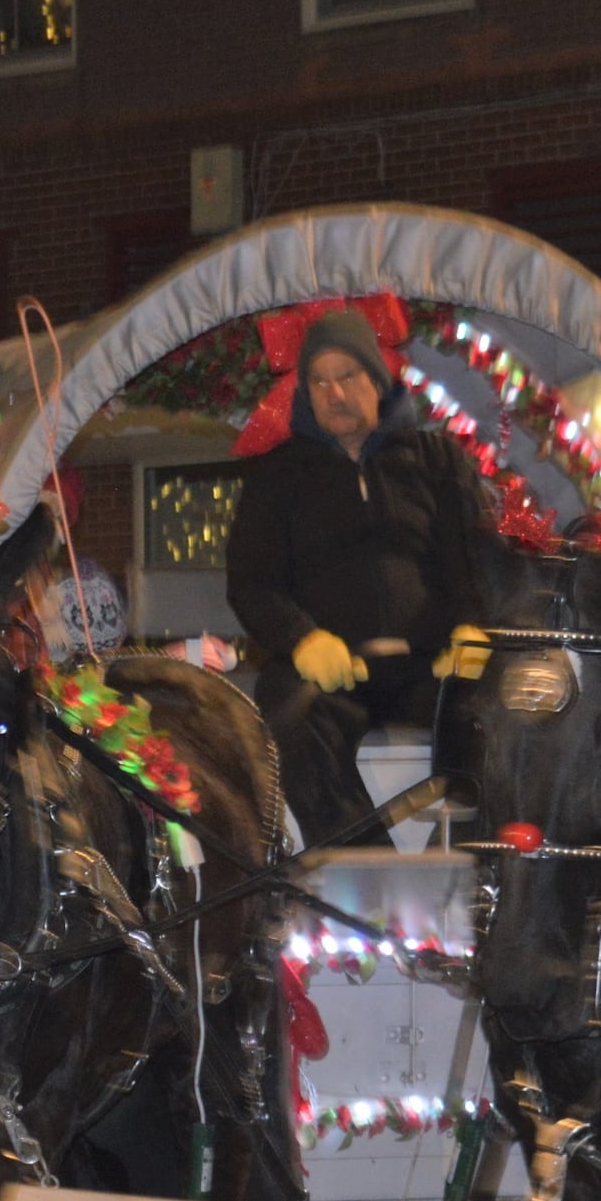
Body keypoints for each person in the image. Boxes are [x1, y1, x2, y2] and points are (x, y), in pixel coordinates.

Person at [225, 309, 492, 844]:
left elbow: (478, 558)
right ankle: (364, 875)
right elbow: (252, 583)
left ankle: (478, 868)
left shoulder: (438, 462)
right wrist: (302, 640)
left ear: (377, 379)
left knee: (493, 710)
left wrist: (472, 626)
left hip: (430, 668)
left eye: (347, 376)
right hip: (333, 675)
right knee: (286, 716)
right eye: (319, 381)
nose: (334, 393)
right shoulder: (277, 478)